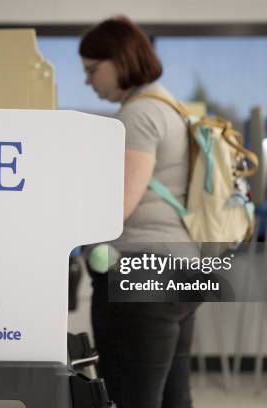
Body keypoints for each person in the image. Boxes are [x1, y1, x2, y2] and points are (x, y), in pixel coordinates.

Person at [80, 16, 200, 408]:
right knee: (173, 396)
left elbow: (119, 207)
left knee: (132, 397)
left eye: (92, 69)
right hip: (182, 269)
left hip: (142, 275)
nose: (88, 81)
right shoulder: (171, 107)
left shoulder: (138, 115)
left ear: (120, 59)